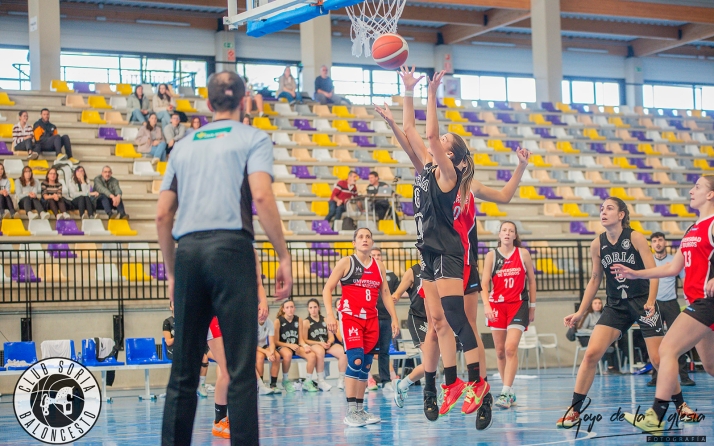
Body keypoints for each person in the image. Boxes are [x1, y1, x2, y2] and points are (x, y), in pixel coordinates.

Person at [375, 66, 531, 428]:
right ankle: (445, 384)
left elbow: (426, 135)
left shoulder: (456, 180)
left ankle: (476, 384)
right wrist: (404, 100)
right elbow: (413, 134)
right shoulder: (427, 170)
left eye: (445, 142)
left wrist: (426, 93)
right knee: (437, 322)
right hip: (431, 250)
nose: (437, 142)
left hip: (457, 255)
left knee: (460, 323)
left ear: (456, 158)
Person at [158, 71, 292, 446]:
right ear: (246, 99)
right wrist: (283, 254)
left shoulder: (182, 145)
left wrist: (172, 272)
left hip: (188, 252)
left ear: (207, 103)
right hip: (232, 250)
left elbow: (162, 215)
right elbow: (262, 197)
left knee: (183, 372)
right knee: (240, 370)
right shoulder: (253, 137)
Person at [558, 197, 695, 428]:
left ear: (621, 214)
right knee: (591, 353)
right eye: (601, 209)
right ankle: (574, 411)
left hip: (642, 302)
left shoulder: (635, 237)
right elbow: (594, 280)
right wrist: (581, 312)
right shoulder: (596, 244)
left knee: (659, 359)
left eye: (609, 208)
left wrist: (651, 301)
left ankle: (681, 406)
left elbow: (653, 271)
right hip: (615, 306)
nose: (603, 212)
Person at [613, 175, 714, 432]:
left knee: (667, 349)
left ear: (711, 194)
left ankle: (655, 416)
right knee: (712, 367)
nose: (691, 190)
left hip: (706, 302)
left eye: (698, 187)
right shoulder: (693, 229)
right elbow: (671, 267)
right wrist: (635, 273)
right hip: (698, 301)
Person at [323, 227, 399, 427]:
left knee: (365, 365)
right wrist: (330, 314)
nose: (365, 240)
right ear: (354, 242)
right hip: (351, 318)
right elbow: (327, 288)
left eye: (368, 236)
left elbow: (385, 293)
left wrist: (394, 318)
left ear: (372, 241)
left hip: (372, 320)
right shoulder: (347, 262)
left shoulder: (379, 266)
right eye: (360, 237)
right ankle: (350, 412)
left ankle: (359, 409)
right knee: (355, 360)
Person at [211, 251, 272, 440]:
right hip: (214, 314)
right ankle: (219, 421)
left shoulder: (250, 252)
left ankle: (227, 419)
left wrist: (263, 302)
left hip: (235, 315)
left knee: (236, 370)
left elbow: (258, 283)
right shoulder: (216, 249)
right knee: (227, 370)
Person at [480, 221, 536, 410]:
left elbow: (532, 281)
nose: (507, 233)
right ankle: (509, 391)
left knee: (511, 347)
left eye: (511, 230)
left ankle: (505, 391)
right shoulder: (491, 256)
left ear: (514, 235)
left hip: (518, 305)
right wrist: (486, 305)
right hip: (496, 305)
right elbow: (484, 284)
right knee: (500, 351)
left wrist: (533, 307)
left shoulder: (523, 254)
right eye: (504, 230)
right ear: (499, 234)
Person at [647, 232, 695, 387]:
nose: (658, 243)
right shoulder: (649, 261)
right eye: (654, 241)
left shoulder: (674, 261)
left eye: (660, 240)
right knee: (655, 340)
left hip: (671, 303)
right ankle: (655, 377)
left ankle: (684, 376)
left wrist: (690, 301)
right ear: (652, 245)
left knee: (678, 340)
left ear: (665, 242)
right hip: (655, 304)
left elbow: (685, 280)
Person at [393, 262, 426, 408]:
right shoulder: (413, 271)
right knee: (429, 362)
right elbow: (396, 295)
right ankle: (430, 395)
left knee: (430, 366)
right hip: (418, 318)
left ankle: (402, 384)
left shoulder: (441, 268)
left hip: (437, 320)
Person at [270, 300, 318, 392]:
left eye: (292, 307)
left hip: (295, 346)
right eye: (287, 307)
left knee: (312, 355)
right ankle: (285, 380)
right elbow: (275, 341)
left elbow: (300, 339)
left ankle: (308, 381)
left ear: (294, 308)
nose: (290, 309)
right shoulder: (278, 321)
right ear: (283, 309)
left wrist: (305, 345)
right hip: (283, 346)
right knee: (288, 355)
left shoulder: (299, 319)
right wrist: (289, 345)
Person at [370, 247, 400, 391]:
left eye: (378, 255)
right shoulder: (365, 274)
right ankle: (367, 380)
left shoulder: (391, 276)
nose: (376, 257)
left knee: (384, 351)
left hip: (386, 318)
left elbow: (394, 294)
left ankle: (385, 380)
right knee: (367, 350)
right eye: (373, 255)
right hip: (370, 318)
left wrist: (394, 317)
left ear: (382, 257)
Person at [302, 298, 347, 392]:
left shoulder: (326, 320)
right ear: (308, 309)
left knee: (343, 352)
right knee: (320, 351)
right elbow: (305, 339)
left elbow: (331, 337)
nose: (313, 309)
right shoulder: (306, 322)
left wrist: (329, 342)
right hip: (315, 344)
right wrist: (319, 343)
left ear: (318, 308)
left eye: (315, 307)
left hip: (326, 344)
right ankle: (321, 380)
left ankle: (341, 379)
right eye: (311, 307)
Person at [574, 297, 620, 373]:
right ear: (591, 305)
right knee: (603, 344)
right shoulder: (588, 315)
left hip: (602, 337)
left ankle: (611, 367)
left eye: (599, 303)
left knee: (610, 342)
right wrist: (594, 332)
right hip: (588, 337)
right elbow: (580, 329)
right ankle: (607, 366)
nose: (597, 305)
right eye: (595, 303)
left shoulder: (604, 315)